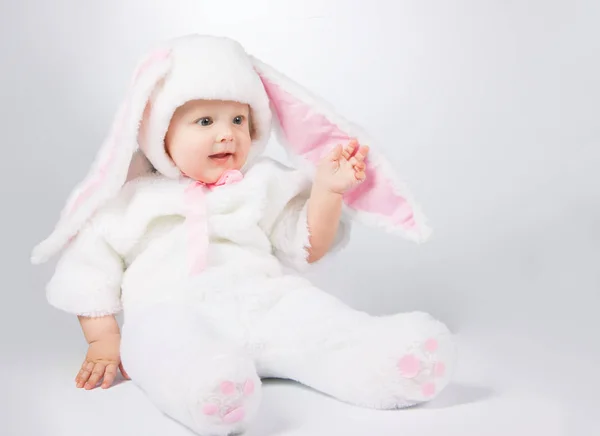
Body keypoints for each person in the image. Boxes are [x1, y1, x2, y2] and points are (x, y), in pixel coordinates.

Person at [31, 34, 455, 435]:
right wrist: (104, 340)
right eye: (204, 120)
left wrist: (326, 191)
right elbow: (89, 270)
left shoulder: (262, 182)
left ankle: (388, 363)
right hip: (173, 309)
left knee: (319, 317)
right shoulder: (132, 199)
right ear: (159, 132)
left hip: (264, 303)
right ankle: (209, 387)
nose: (226, 132)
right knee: (161, 343)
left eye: (238, 119)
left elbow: (305, 244)